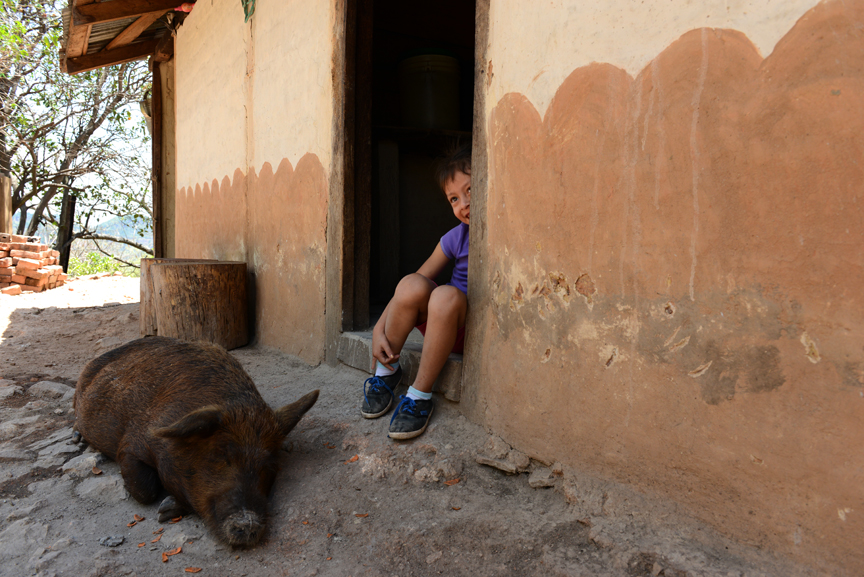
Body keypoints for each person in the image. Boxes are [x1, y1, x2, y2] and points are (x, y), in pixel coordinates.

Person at [360, 143, 471, 439]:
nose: (464, 204)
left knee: (445, 295)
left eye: (470, 190)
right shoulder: (455, 238)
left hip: (471, 327)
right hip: (446, 326)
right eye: (454, 198)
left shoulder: (508, 231)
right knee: (411, 283)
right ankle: (385, 374)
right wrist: (378, 329)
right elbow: (413, 284)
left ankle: (419, 397)